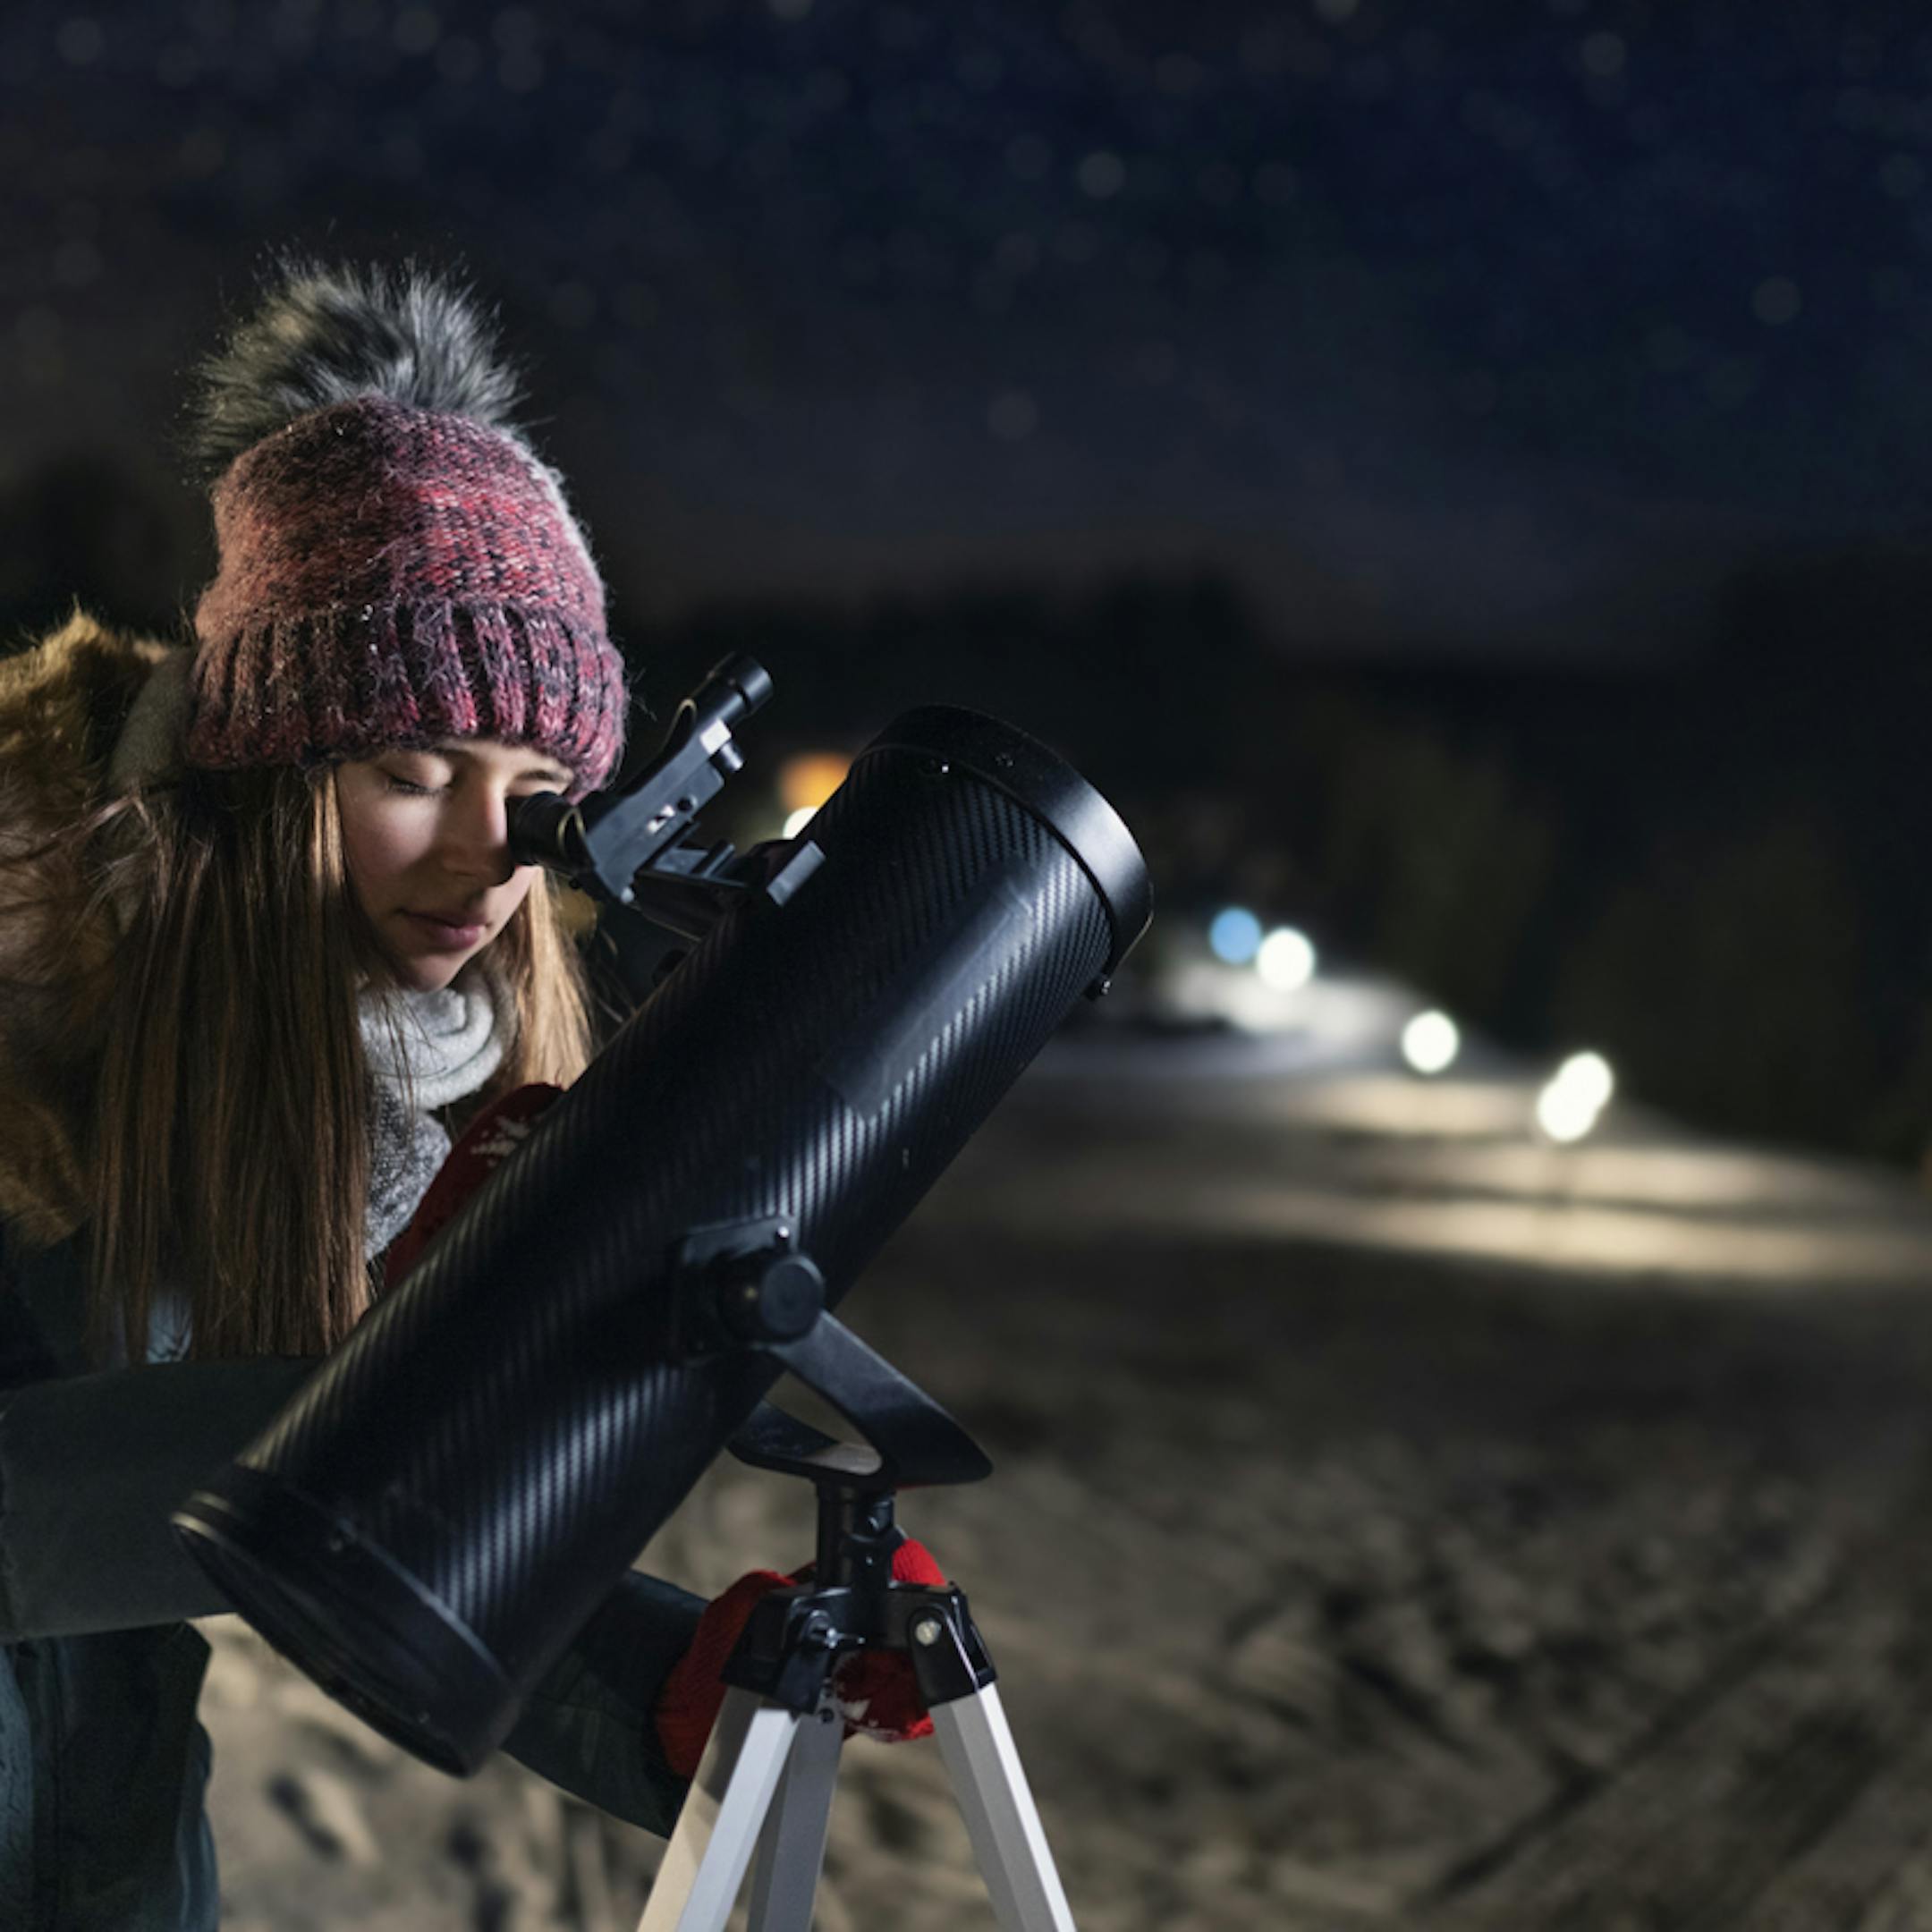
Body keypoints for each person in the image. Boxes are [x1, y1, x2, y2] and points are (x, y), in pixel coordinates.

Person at [0, 258, 936, 1932]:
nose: (480, 860)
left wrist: (670, 1676)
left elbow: (291, 1506)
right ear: (269, 771)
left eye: (534, 792)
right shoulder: (33, 1000)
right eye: (409, 774)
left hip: (105, 1838)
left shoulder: (381, 1052)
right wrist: (389, 1435)